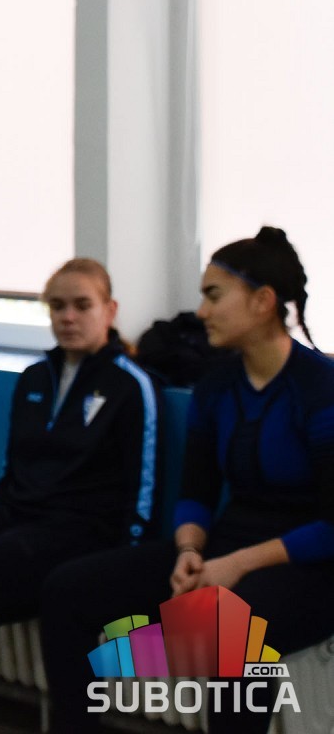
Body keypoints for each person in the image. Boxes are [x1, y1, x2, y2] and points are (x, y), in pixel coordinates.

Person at [40, 227, 334, 734]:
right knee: (67, 590)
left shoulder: (320, 386)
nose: (201, 312)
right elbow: (196, 492)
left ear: (262, 301)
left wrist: (234, 566)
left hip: (310, 566)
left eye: (214, 296)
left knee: (232, 626)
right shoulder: (215, 385)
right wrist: (188, 552)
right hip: (223, 549)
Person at [0, 259, 159, 733]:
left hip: (77, 529)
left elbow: (143, 489)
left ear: (109, 311)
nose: (68, 317)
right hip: (13, 510)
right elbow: (15, 468)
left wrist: (124, 559)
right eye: (57, 306)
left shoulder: (130, 386)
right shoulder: (33, 378)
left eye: (82, 306)